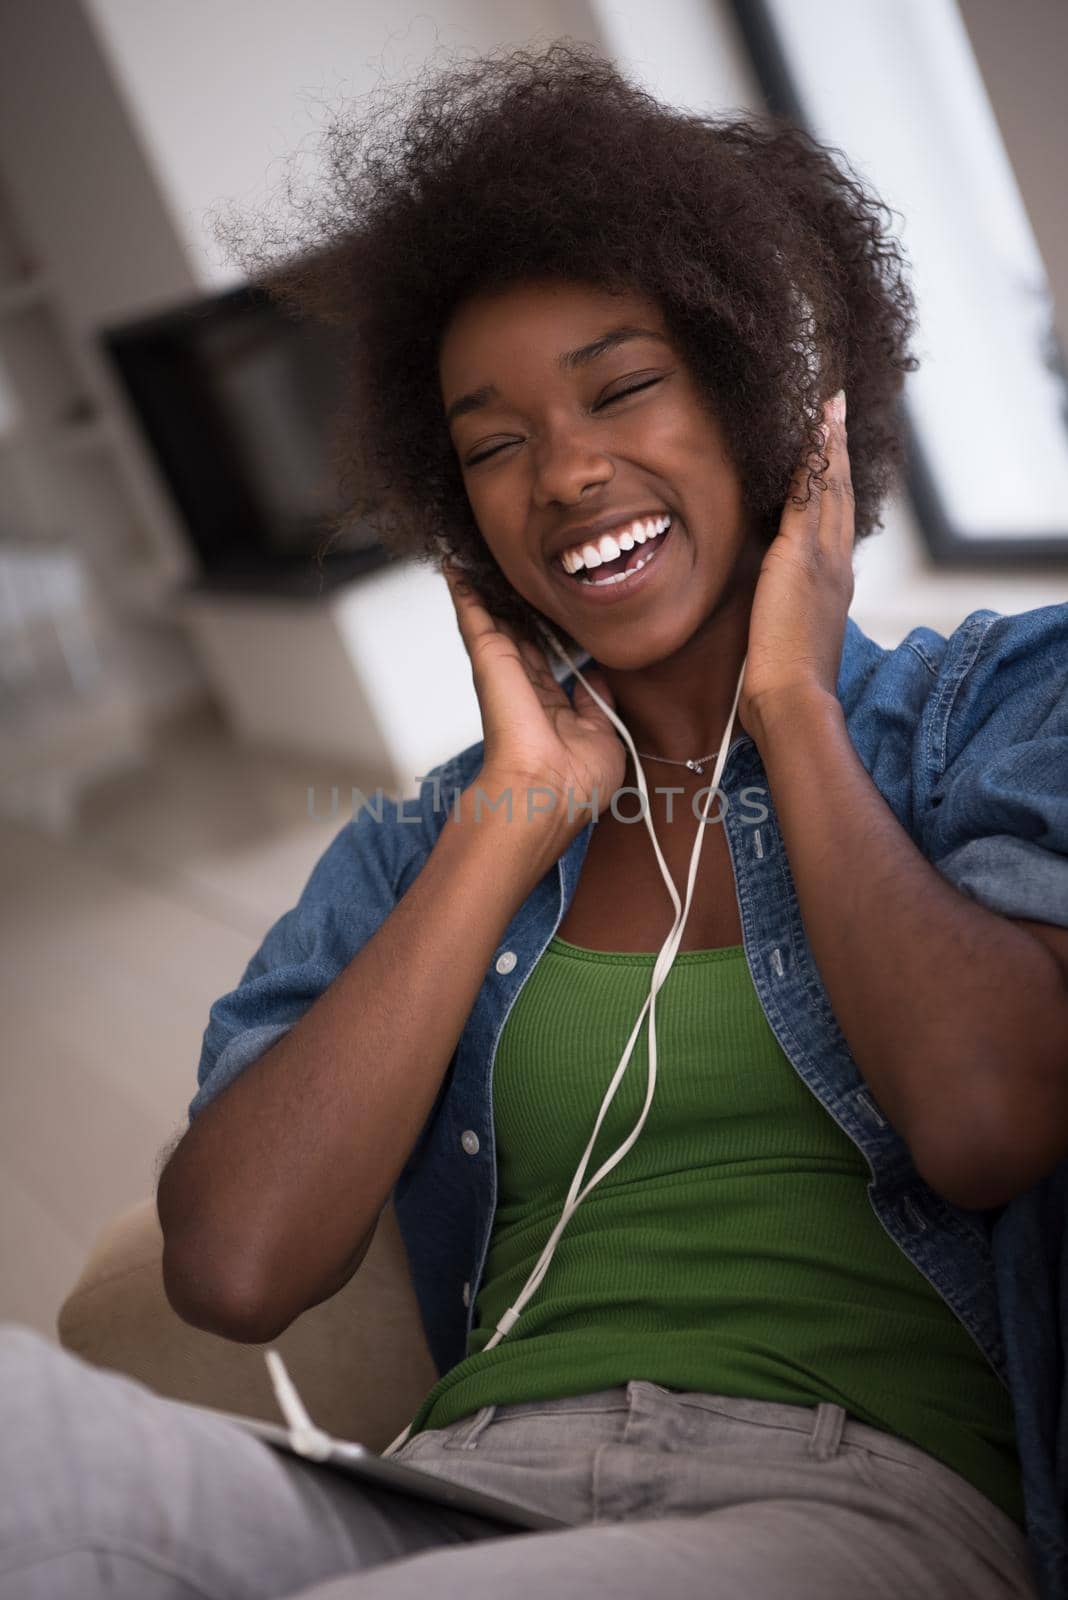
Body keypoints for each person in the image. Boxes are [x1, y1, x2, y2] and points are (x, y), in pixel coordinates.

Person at [2, 39, 1067, 1600]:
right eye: (493, 446)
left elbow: (987, 1119)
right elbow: (234, 1265)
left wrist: (797, 714)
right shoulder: (423, 839)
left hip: (849, 1507)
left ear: (767, 401)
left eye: (623, 388)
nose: (565, 472)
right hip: (459, 1490)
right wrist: (512, 823)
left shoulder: (998, 699)